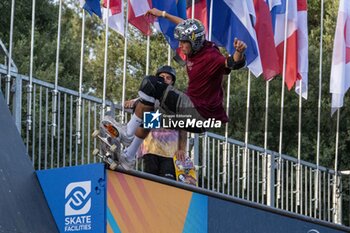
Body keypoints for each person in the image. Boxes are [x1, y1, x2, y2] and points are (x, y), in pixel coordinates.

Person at [116, 11, 247, 170]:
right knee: (150, 115)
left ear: (194, 42)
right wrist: (162, 14)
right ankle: (128, 157)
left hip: (197, 111)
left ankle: (127, 134)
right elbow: (183, 23)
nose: (180, 46)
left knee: (151, 84)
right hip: (194, 117)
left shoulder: (211, 57)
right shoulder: (196, 44)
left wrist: (239, 52)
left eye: (183, 43)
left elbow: (231, 63)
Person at [124, 65, 186, 179]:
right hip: (150, 149)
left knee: (167, 183)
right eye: (162, 77)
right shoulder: (149, 96)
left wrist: (182, 148)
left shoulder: (176, 100)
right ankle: (127, 142)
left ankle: (128, 147)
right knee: (150, 181)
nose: (165, 79)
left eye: (168, 78)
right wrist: (131, 103)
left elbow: (183, 127)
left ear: (172, 82)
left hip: (169, 152)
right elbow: (128, 103)